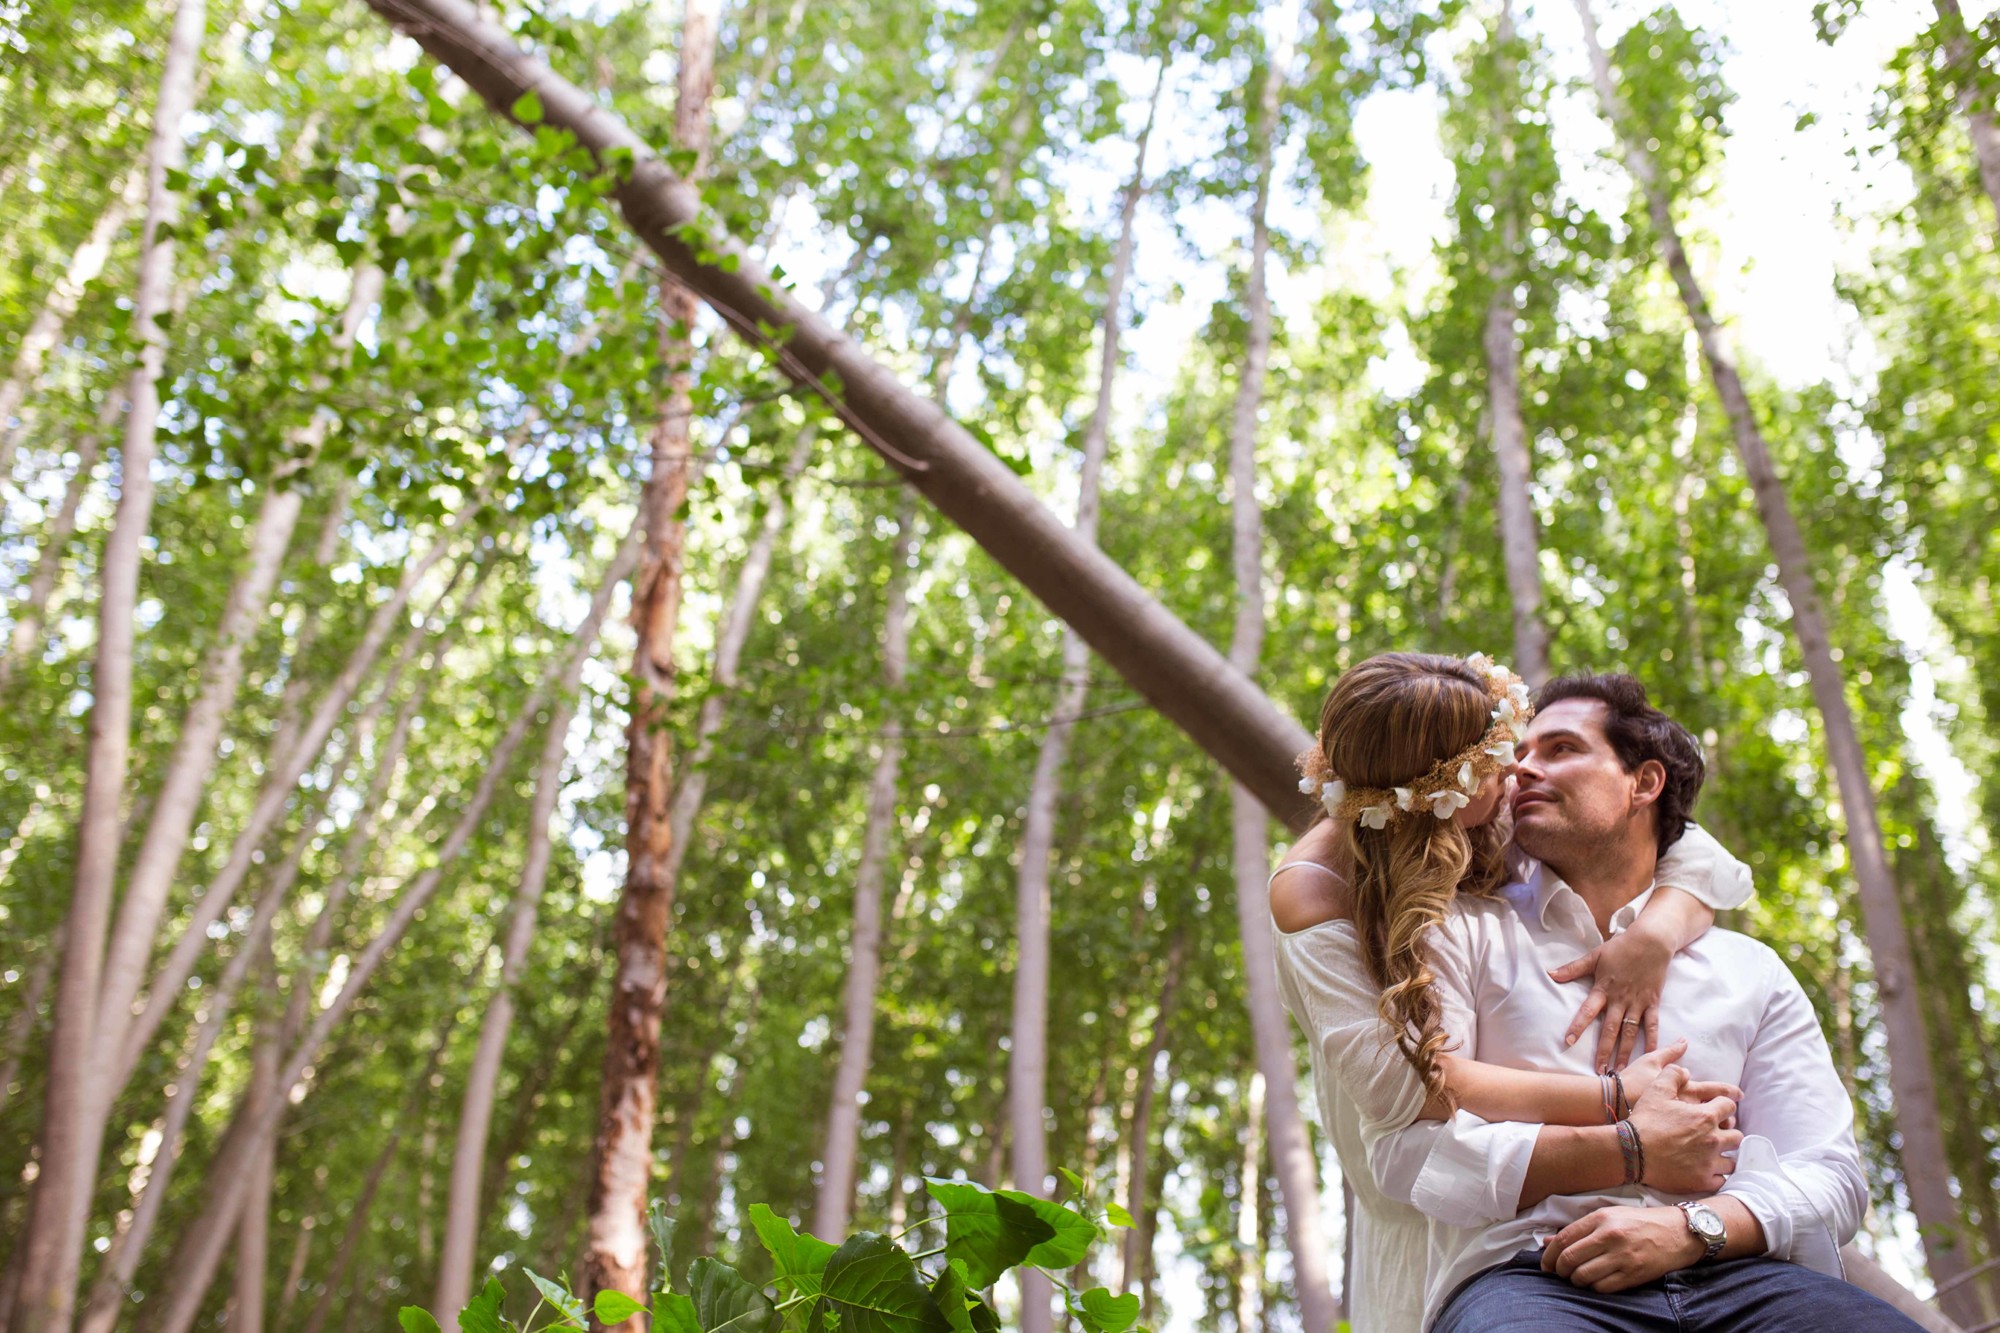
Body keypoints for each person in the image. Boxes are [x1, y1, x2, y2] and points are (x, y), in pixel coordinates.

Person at [1367, 672, 1921, 1331]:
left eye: (1561, 748)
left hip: (1745, 1274)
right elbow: (1410, 1151)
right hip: (1529, 1278)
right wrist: (1624, 1146)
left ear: (1645, 782)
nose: (1522, 768)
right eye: (1520, 752)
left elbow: (1831, 1174)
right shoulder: (1457, 931)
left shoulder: (1749, 970)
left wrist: (1693, 1227)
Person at [1271, 652, 1753, 1332]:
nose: (1517, 771)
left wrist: (1654, 934)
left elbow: (1699, 856)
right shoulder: (1316, 894)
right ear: (1441, 785)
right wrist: (1616, 1102)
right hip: (1420, 1187)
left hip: (1535, 1199)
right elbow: (1407, 1090)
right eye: (1499, 759)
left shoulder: (1476, 820)